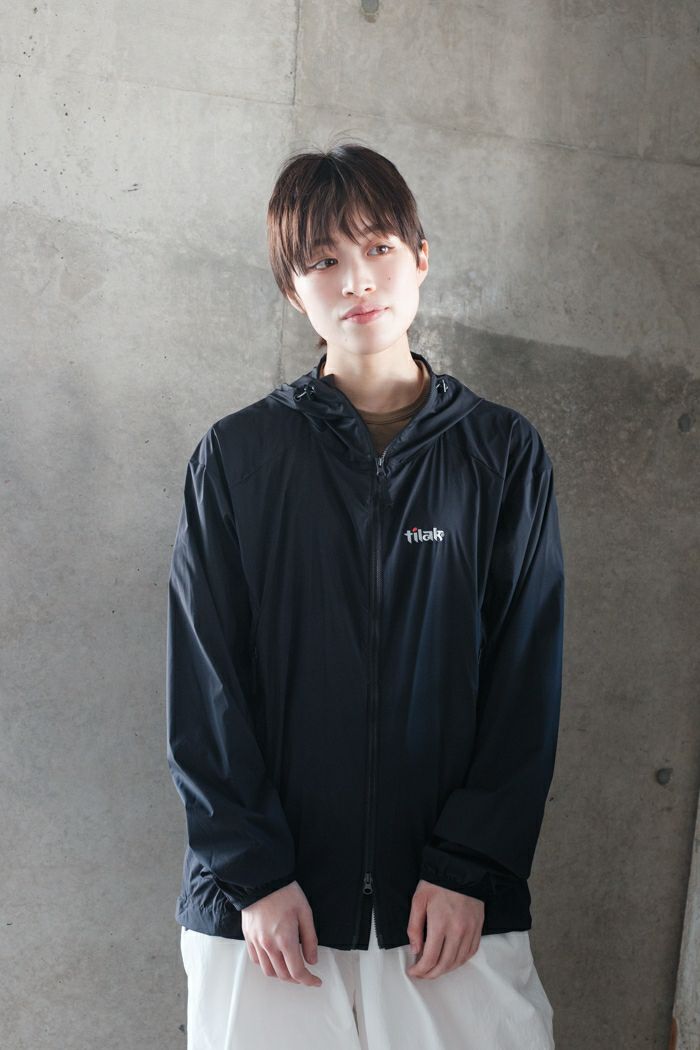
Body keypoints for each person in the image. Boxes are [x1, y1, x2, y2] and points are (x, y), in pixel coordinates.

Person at [166, 140, 565, 1049]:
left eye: (378, 247)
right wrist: (255, 877)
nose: (356, 279)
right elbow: (204, 685)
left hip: (446, 912)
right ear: (292, 290)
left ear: (420, 258)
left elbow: (526, 680)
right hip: (269, 921)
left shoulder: (502, 455)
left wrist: (468, 867)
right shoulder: (238, 457)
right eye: (323, 260)